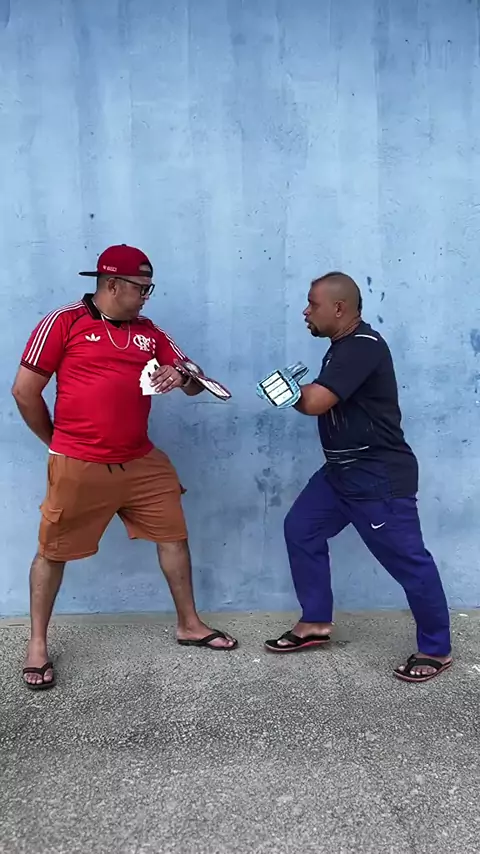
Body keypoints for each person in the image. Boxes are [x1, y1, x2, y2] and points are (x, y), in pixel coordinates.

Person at [12, 244, 237, 690]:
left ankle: (189, 624)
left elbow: (196, 381)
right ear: (113, 284)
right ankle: (37, 645)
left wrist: (183, 377)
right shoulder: (64, 323)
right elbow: (24, 391)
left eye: (149, 289)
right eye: (142, 289)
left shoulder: (150, 332)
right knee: (52, 551)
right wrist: (56, 442)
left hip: (140, 460)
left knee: (174, 536)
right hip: (79, 462)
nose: (147, 297)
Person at [264, 272, 452, 682]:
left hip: (376, 474)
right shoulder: (341, 347)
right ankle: (315, 622)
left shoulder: (362, 346)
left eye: (312, 304)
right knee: (302, 529)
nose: (305, 312)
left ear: (339, 308)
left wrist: (290, 392)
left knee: (409, 561)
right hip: (340, 472)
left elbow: (316, 401)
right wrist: (296, 390)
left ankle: (436, 648)